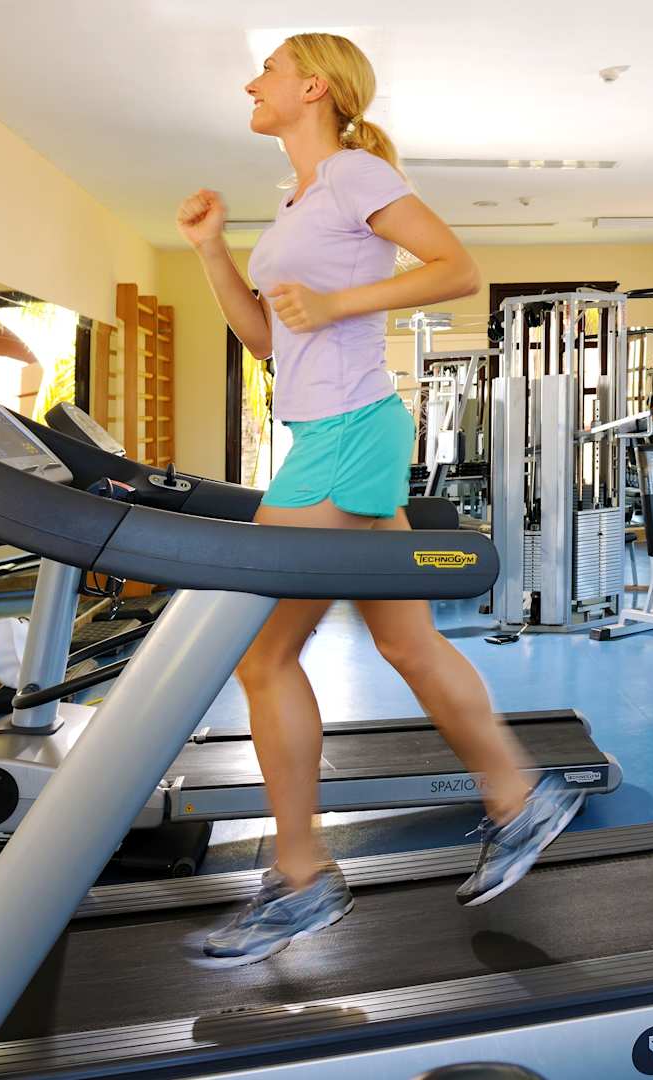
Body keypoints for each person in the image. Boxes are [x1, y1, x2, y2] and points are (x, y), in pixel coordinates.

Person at [176, 32, 581, 966]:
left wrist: (338, 305)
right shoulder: (301, 198)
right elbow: (266, 340)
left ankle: (301, 877)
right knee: (406, 641)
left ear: (312, 87)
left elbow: (456, 269)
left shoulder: (353, 173)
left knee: (263, 655)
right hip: (338, 431)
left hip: (345, 435)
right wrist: (210, 250)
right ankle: (520, 799)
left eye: (269, 70)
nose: (252, 82)